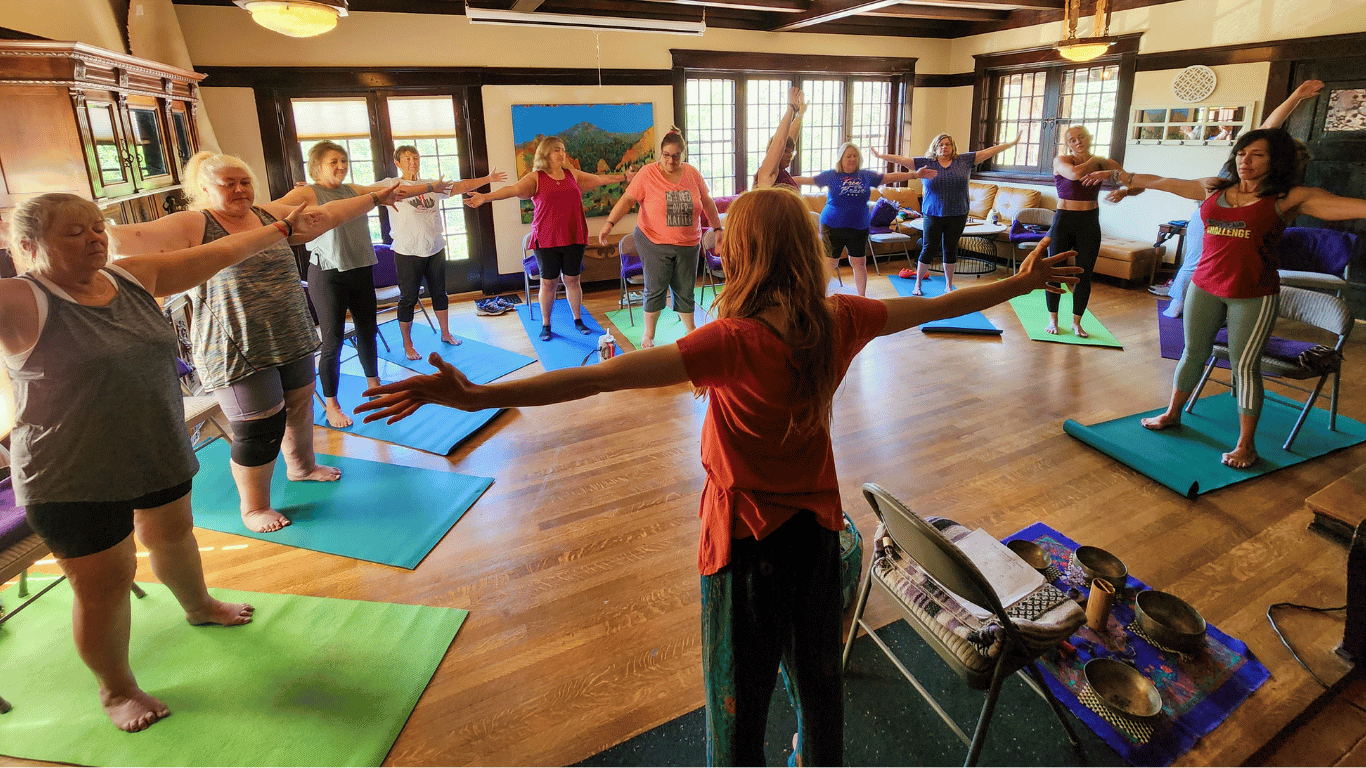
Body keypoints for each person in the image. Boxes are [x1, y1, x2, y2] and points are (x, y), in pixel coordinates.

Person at [355, 186, 1081, 766]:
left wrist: (481, 396)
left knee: (737, 700)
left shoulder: (730, 342)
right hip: (820, 539)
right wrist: (1017, 285)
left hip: (745, 548)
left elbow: (599, 381)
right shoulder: (841, 317)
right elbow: (935, 305)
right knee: (819, 681)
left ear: (746, 256)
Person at [1, 193, 310, 731]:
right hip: (70, 473)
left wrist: (281, 229)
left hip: (154, 446)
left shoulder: (131, 277)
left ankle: (199, 606)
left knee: (173, 535)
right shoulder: (19, 300)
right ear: (27, 246)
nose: (95, 237)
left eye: (97, 227)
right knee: (106, 582)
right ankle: (117, 689)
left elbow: (218, 253)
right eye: (75, 232)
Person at [107, 151, 403, 534]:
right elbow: (130, 239)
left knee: (298, 406)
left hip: (290, 330)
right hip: (236, 343)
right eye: (227, 183)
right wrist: (86, 231)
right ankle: (254, 507)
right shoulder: (195, 222)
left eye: (244, 181)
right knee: (259, 428)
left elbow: (329, 214)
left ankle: (302, 467)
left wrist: (377, 198)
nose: (238, 189)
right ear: (203, 188)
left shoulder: (268, 215)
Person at [1094, 128, 1366, 468]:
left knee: (1244, 366)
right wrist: (1122, 177)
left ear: (1275, 160)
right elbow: (1163, 180)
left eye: (1257, 155)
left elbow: (1354, 207)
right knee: (1192, 354)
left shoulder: (1287, 197)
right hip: (1204, 287)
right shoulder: (1214, 187)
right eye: (1241, 152)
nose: (1245, 160)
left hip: (1252, 294)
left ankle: (1246, 445)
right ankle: (1172, 414)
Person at [1111, 80, 1323, 319]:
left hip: (1238, 231)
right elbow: (1267, 126)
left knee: (1220, 265)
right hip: (1208, 218)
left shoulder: (1280, 187)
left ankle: (1217, 308)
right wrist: (1295, 97)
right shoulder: (1238, 166)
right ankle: (1178, 302)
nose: (1249, 158)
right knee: (1196, 262)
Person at [275, 140, 431, 429]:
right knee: (332, 340)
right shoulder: (308, 191)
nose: (341, 166)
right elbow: (275, 213)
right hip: (328, 273)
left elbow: (397, 191)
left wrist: (432, 187)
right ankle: (332, 404)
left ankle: (375, 388)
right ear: (318, 166)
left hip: (360, 269)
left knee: (367, 332)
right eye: (334, 161)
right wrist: (295, 203)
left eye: (343, 161)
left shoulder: (352, 190)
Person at [465, 136, 634, 340]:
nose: (562, 154)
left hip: (574, 236)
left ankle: (578, 320)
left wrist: (625, 177)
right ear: (545, 153)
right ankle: (546, 324)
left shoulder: (572, 175)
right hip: (546, 239)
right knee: (548, 283)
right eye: (556, 150)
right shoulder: (536, 178)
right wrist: (485, 197)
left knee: (572, 280)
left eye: (563, 149)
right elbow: (512, 190)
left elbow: (600, 179)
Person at [599, 128, 722, 348]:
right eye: (666, 154)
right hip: (653, 240)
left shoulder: (692, 174)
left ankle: (689, 330)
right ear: (661, 153)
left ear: (683, 154)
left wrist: (718, 228)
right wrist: (609, 224)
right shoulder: (648, 173)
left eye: (675, 155)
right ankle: (648, 334)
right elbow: (627, 200)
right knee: (655, 287)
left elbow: (707, 201)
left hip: (688, 243)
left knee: (685, 288)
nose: (670, 160)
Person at [379, 145, 506, 358]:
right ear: (398, 163)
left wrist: (488, 178)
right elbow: (362, 192)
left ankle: (446, 333)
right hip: (407, 252)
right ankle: (408, 344)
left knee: (440, 293)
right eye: (407, 158)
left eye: (416, 157)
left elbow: (461, 185)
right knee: (408, 298)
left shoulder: (432, 185)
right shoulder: (392, 185)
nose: (413, 162)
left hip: (435, 248)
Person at [873, 132, 1020, 295]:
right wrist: (880, 155)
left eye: (947, 144)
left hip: (958, 213)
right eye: (940, 144)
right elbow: (901, 159)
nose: (944, 147)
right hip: (933, 213)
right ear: (935, 147)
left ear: (952, 147)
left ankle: (949, 285)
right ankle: (918, 285)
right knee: (928, 247)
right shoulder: (926, 162)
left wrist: (1011, 144)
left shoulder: (964, 160)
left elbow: (988, 152)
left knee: (950, 248)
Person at [791, 143, 935, 297]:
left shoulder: (865, 175)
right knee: (830, 263)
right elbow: (807, 180)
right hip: (832, 225)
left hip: (858, 226)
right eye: (848, 156)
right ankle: (819, 297)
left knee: (859, 263)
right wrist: (782, 178)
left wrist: (914, 175)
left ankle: (862, 298)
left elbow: (888, 177)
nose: (852, 159)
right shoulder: (832, 175)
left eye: (855, 156)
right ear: (841, 158)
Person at [1037, 125, 1125, 338]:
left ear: (1090, 138)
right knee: (1054, 271)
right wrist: (1096, 161)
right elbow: (1076, 175)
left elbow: (1129, 178)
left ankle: (1077, 322)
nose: (1078, 142)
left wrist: (1125, 192)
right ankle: (1053, 319)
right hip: (1063, 220)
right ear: (1068, 144)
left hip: (1089, 222)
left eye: (1082, 137)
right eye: (1072, 140)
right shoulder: (1062, 161)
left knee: (1084, 274)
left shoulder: (1103, 162)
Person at [753, 86, 806, 190]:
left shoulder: (782, 173)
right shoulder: (767, 172)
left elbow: (790, 137)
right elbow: (780, 141)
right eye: (785, 151)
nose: (790, 154)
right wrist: (791, 107)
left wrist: (800, 114)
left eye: (791, 152)